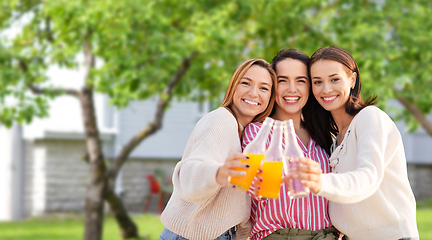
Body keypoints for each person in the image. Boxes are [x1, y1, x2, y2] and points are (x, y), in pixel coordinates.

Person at [292, 46, 419, 240]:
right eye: (317, 82)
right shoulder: (336, 138)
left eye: (334, 79)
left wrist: (320, 181)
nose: (326, 89)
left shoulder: (370, 118)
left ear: (352, 80)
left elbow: (367, 178)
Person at [159, 58, 277, 240]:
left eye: (264, 88)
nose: (254, 93)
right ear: (233, 87)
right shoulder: (222, 119)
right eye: (246, 83)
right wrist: (219, 173)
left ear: (271, 97)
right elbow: (190, 171)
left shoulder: (249, 133)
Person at [242, 49, 338, 240]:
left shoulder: (324, 137)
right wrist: (257, 183)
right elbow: (251, 184)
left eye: (300, 81)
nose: (292, 89)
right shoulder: (257, 133)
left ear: (310, 87)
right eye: (283, 80)